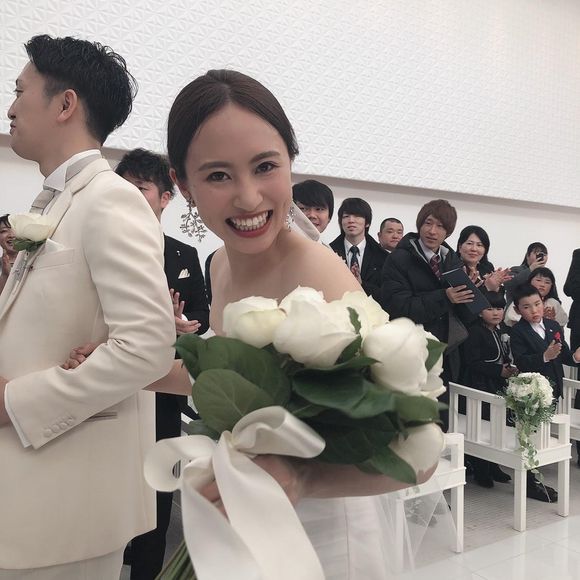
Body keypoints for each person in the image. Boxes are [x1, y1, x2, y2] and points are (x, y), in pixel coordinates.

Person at [66, 69, 443, 579]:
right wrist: (123, 366)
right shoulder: (220, 263)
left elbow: (419, 453)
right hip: (243, 508)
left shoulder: (314, 270)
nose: (248, 198)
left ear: (290, 161)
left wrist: (303, 480)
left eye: (265, 166)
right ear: (184, 184)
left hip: (320, 534)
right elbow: (236, 378)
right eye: (218, 176)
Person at [0, 35, 175, 578]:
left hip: (67, 494)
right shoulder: (58, 200)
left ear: (65, 104)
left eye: (19, 91)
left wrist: (13, 402)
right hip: (31, 484)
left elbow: (147, 347)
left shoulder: (112, 198)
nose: (10, 108)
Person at [115, 148, 210, 579]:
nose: (130, 196)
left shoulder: (184, 254)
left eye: (141, 188)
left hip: (163, 386)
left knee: (157, 484)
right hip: (113, 386)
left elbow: (202, 313)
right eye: (123, 188)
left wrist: (185, 325)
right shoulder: (102, 247)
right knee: (113, 480)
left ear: (165, 197)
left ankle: (147, 569)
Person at [381, 199, 474, 429]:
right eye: (428, 223)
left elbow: (463, 314)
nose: (432, 231)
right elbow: (399, 307)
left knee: (439, 422)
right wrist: (445, 296)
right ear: (419, 224)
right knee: (411, 422)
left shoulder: (450, 259)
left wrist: (472, 293)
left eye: (440, 226)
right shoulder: (399, 259)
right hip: (411, 351)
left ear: (448, 232)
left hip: (444, 353)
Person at [510, 283, 580, 501]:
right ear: (518, 309)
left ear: (543, 302)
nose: (534, 310)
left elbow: (564, 354)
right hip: (532, 392)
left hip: (554, 388)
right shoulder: (518, 332)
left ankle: (535, 478)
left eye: (537, 304)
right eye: (527, 307)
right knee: (530, 436)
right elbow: (521, 361)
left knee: (542, 436)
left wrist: (575, 357)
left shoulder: (553, 325)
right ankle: (531, 482)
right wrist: (544, 356)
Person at [461, 289, 516, 487]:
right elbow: (471, 362)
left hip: (497, 383)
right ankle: (480, 469)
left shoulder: (501, 331)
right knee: (481, 426)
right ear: (479, 311)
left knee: (497, 425)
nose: (496, 312)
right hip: (479, 384)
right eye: (490, 308)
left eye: (499, 308)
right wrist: (498, 371)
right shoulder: (475, 331)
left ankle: (494, 466)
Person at [329, 197, 387, 300]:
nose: (351, 220)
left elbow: (387, 294)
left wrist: (361, 284)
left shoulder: (383, 256)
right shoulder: (329, 252)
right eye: (346, 216)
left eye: (357, 216)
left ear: (367, 223)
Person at [455, 225, 512, 292]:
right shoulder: (453, 268)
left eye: (479, 245)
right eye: (469, 243)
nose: (474, 249)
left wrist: (497, 287)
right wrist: (487, 288)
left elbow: (499, 297)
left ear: (485, 250)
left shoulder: (487, 267)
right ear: (460, 247)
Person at [0, 215, 17, 294]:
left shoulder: (34, 261)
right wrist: (5, 275)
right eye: (4, 231)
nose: (11, 235)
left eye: (15, 229)